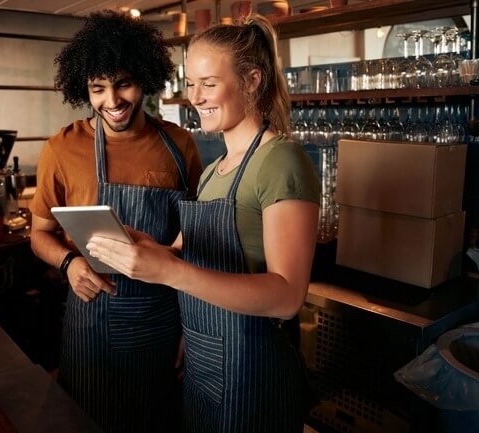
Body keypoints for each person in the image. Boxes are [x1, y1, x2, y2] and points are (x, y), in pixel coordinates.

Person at [86, 14, 320, 433]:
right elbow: (184, 253)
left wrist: (171, 270)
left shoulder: (282, 161)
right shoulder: (215, 170)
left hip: (254, 371)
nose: (195, 97)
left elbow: (287, 295)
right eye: (190, 83)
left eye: (208, 84)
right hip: (202, 363)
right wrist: (147, 248)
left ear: (251, 80)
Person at [28, 10, 203, 433]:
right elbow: (40, 233)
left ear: (144, 76)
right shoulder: (61, 149)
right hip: (92, 325)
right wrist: (70, 265)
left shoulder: (179, 146)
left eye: (123, 83)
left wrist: (191, 331)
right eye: (98, 88)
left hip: (162, 321)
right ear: (84, 89)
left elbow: (197, 240)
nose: (113, 100)